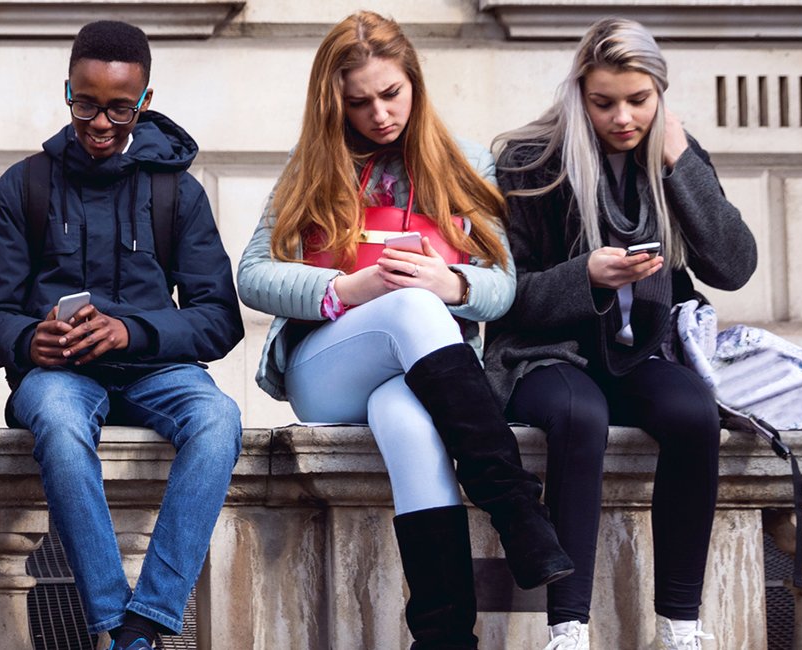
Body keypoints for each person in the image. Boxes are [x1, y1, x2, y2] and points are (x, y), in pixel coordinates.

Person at [234, 11, 572, 648]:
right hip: (327, 368)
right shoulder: (312, 162)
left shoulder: (465, 162)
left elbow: (503, 287)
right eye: (359, 102)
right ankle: (516, 509)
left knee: (411, 425)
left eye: (391, 94)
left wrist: (454, 285)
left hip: (419, 375)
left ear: (415, 82)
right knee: (412, 310)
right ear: (335, 103)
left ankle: (444, 635)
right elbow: (252, 274)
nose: (379, 114)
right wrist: (347, 289)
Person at [489, 17, 755, 650]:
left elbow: (734, 265)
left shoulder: (676, 157)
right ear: (580, 92)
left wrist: (678, 162)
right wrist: (584, 276)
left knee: (694, 414)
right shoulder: (531, 163)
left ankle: (681, 625)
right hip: (545, 355)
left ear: (660, 94)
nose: (623, 117)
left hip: (641, 354)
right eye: (604, 102)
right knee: (580, 417)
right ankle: (568, 626)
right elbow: (506, 297)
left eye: (639, 101)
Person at [0, 20, 242, 650]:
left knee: (219, 419)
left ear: (144, 102)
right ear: (67, 91)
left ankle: (147, 621)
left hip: (158, 371)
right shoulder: (24, 186)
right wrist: (24, 342)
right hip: (60, 375)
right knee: (60, 423)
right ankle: (112, 619)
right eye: (86, 103)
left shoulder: (176, 191)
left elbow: (219, 318)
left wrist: (131, 333)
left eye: (120, 108)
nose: (101, 122)